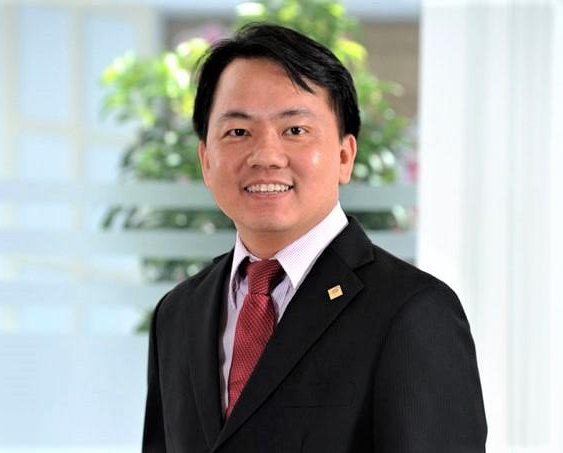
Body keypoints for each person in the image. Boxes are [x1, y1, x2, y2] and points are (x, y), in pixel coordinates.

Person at [142, 23, 487, 453]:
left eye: (295, 130)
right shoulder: (178, 314)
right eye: (238, 132)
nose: (266, 156)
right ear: (205, 161)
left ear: (345, 156)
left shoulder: (413, 312)